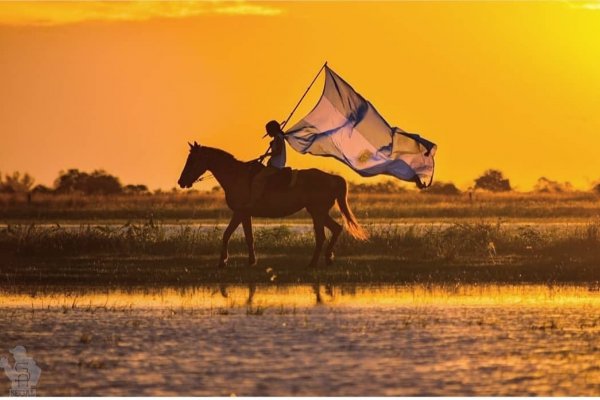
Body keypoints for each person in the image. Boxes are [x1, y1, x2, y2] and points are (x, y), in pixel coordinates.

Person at [246, 120, 287, 208]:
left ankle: (253, 202)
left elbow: (278, 152)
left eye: (268, 130)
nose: (267, 133)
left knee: (257, 179)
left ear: (273, 130)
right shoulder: (277, 138)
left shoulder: (279, 138)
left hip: (276, 166)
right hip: (274, 164)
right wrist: (272, 146)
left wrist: (266, 155)